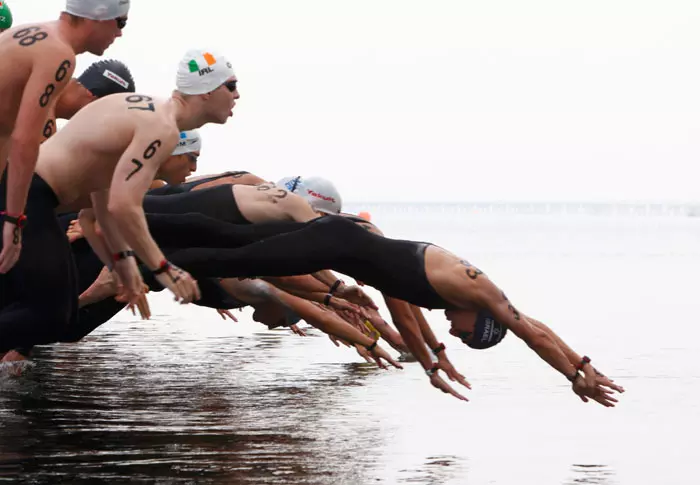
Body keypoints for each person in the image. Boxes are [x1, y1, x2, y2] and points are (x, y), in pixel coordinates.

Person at [126, 213, 625, 406]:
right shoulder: (478, 291)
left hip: (340, 245)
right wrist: (575, 374)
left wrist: (430, 358)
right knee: (240, 258)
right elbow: (531, 335)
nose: (455, 330)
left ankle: (134, 221)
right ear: (483, 319)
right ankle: (136, 253)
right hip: (339, 240)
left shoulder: (462, 297)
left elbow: (535, 325)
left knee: (233, 238)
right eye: (467, 335)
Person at [0, 48, 239, 353]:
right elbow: (124, 206)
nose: (237, 96)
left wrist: (125, 270)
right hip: (31, 195)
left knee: (47, 313)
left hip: (28, 194)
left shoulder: (140, 116)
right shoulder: (161, 126)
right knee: (50, 314)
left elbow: (102, 207)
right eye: (230, 86)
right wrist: (163, 267)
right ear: (205, 92)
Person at [0, 0, 129, 273]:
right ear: (97, 17)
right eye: (120, 22)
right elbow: (25, 139)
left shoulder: (32, 32)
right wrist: (14, 219)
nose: (120, 34)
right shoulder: (60, 55)